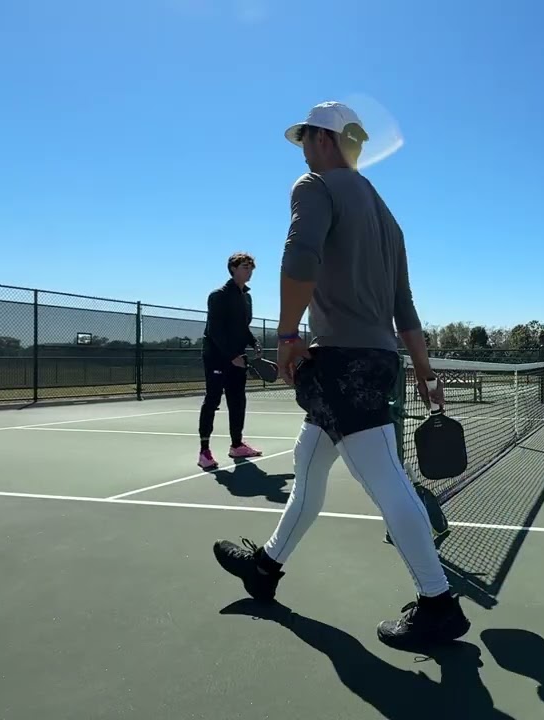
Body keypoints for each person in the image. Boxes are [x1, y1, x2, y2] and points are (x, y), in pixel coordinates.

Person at [210, 101, 470, 649]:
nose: (302, 148)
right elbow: (405, 305)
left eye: (305, 138)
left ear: (324, 140)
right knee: (309, 459)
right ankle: (266, 568)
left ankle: (438, 602)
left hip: (341, 361)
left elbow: (299, 255)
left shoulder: (314, 185)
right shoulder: (387, 216)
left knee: (385, 481)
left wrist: (285, 337)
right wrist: (423, 372)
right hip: (376, 360)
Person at [197, 252, 265, 470]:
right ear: (233, 269)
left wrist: (254, 342)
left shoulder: (246, 297)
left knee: (238, 400)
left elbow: (242, 328)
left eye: (251, 267)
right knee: (213, 400)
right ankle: (204, 451)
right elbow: (214, 330)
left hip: (238, 357)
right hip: (217, 357)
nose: (249, 271)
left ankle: (237, 445)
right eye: (245, 267)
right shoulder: (218, 296)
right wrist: (231, 356)